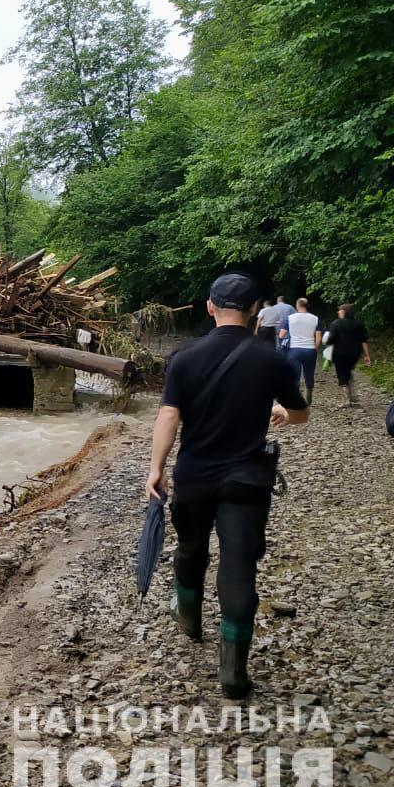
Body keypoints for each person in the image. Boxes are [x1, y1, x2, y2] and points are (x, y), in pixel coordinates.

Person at [146, 272, 309, 699]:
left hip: (195, 476)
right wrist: (282, 413)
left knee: (190, 548)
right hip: (248, 480)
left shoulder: (184, 358)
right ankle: (233, 672)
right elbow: (301, 413)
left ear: (209, 307)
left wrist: (156, 468)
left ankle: (189, 619)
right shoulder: (272, 360)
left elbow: (168, 416)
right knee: (238, 567)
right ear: (255, 309)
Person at [326, 303, 371, 407]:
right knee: (348, 370)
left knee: (341, 373)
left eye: (339, 310)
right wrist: (367, 355)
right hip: (354, 354)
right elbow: (363, 340)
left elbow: (331, 339)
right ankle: (353, 395)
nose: (338, 312)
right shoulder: (359, 324)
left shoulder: (336, 323)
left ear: (344, 312)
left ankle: (346, 399)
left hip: (339, 353)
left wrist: (327, 342)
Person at [279, 298, 321, 406]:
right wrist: (315, 348)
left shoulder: (289, 318)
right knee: (309, 373)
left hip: (294, 350)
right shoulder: (315, 319)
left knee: (295, 375)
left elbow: (281, 335)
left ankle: (296, 399)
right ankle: (308, 396)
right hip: (310, 350)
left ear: (297, 306)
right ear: (307, 305)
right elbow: (318, 338)